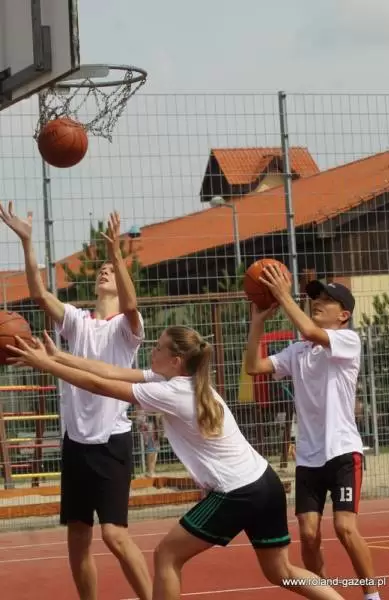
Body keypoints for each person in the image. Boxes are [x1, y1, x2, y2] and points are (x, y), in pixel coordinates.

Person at [9, 327, 346, 600]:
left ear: (176, 360)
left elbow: (101, 385)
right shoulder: (184, 384)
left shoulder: (170, 393)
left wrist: (45, 365)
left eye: (158, 347)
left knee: (167, 555)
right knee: (281, 571)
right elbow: (110, 371)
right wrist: (58, 356)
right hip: (264, 482)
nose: (152, 351)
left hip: (237, 491)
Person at [0, 203, 152, 600]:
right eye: (101, 268)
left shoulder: (126, 330)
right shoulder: (78, 321)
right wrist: (27, 242)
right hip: (76, 443)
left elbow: (132, 305)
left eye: (111, 271)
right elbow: (39, 294)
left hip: (111, 441)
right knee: (78, 537)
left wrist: (116, 253)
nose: (104, 271)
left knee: (115, 535)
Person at [245, 263, 382, 600]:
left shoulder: (348, 341)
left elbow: (308, 329)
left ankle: (371, 595)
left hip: (342, 451)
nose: (317, 302)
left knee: (344, 528)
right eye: (315, 298)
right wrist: (258, 322)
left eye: (326, 300)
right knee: (307, 535)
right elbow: (253, 367)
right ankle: (325, 595)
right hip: (309, 457)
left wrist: (281, 295)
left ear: (344, 315)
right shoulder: (298, 351)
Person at [136, 410, 162, 477]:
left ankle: (151, 471)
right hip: (148, 421)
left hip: (152, 421)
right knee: (152, 447)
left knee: (155, 448)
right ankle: (150, 472)